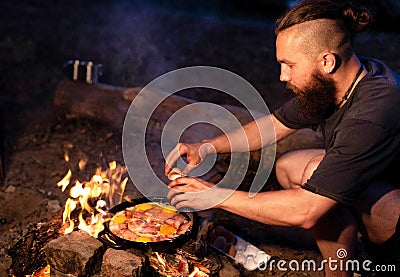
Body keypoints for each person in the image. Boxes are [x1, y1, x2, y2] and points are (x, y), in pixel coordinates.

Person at [165, 0, 400, 275]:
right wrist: (207, 147)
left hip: (394, 220)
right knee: (290, 166)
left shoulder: (372, 111)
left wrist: (213, 195)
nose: (281, 76)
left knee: (314, 183)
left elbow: (307, 210)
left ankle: (368, 262)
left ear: (326, 61)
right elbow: (273, 126)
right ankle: (344, 259)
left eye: (288, 65)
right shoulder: (340, 79)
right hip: (380, 182)